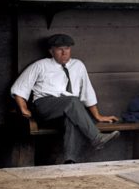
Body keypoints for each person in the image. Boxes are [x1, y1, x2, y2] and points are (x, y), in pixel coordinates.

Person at [11, 34, 120, 164]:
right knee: (72, 101)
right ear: (51, 51)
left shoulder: (78, 65)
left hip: (68, 109)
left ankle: (70, 161)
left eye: (67, 48)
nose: (64, 53)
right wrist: (23, 108)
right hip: (45, 106)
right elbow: (20, 87)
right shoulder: (40, 65)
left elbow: (87, 92)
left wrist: (98, 116)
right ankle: (96, 138)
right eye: (59, 49)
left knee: (71, 119)